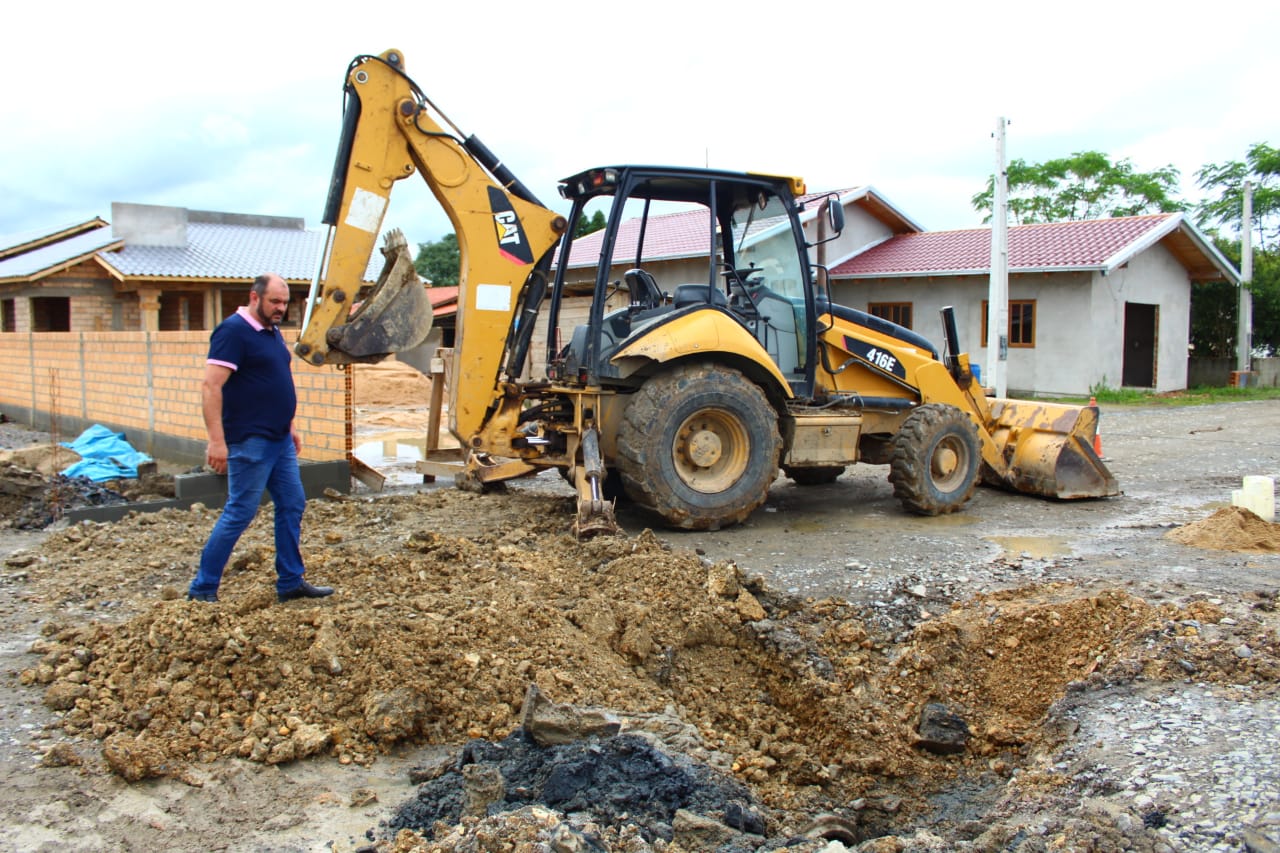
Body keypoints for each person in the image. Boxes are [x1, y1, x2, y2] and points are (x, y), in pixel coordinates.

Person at [186, 273, 334, 604]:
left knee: (293, 504)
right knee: (240, 511)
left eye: (284, 302)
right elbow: (211, 386)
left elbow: (275, 380)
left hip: (279, 439)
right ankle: (203, 590)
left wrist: (290, 424)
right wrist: (217, 442)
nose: (280, 308)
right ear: (255, 297)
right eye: (274, 302)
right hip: (250, 440)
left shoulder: (271, 331)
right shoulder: (233, 332)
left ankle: (291, 582)